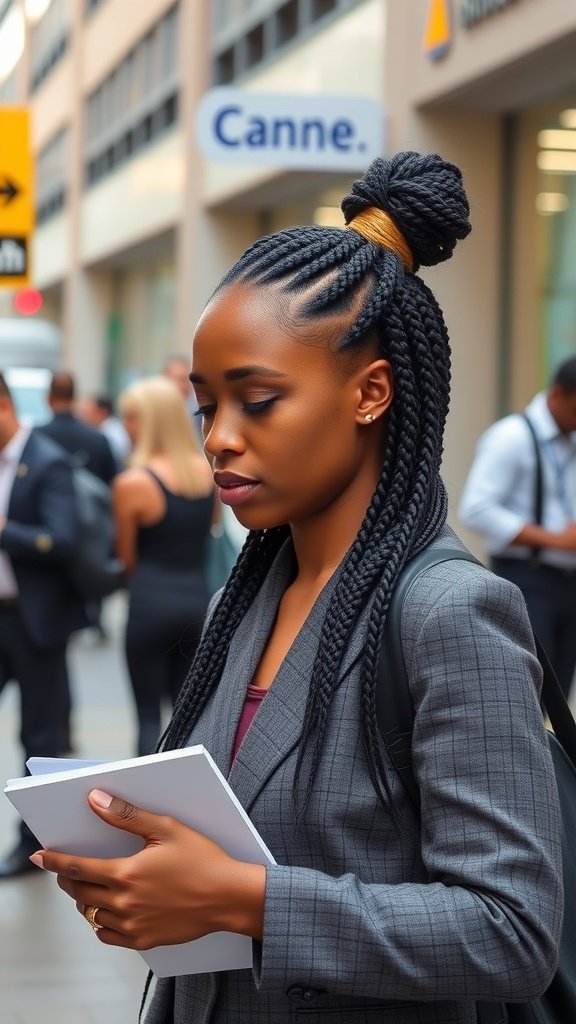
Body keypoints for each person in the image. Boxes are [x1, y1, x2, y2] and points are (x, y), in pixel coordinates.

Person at [31, 153, 562, 1022]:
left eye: (259, 400)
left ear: (371, 394)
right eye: (207, 406)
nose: (220, 440)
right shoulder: (249, 596)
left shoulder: (450, 613)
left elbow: (512, 930)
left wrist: (246, 901)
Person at [0, 373, 87, 878]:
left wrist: (6, 532)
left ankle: (31, 846)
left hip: (34, 623)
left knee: (38, 739)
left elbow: (62, 539)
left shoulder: (48, 460)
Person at [459, 356, 576, 699]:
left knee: (558, 696)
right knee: (527, 692)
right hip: (526, 579)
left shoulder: (571, 439)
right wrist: (554, 540)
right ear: (557, 395)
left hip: (568, 585)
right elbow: (476, 509)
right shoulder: (511, 437)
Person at [114, 376, 214, 756]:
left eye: (132, 417)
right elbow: (210, 531)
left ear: (151, 420)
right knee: (187, 717)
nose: (126, 426)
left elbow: (126, 559)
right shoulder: (207, 473)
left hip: (148, 602)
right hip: (197, 601)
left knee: (146, 716)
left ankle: (142, 804)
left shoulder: (133, 483)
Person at [40, 371, 117, 484]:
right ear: (74, 398)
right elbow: (112, 483)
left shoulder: (36, 439)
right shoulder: (98, 440)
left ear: (49, 397)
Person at [78, 393, 131, 471]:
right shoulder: (105, 429)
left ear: (103, 411)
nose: (85, 416)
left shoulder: (112, 433)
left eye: (89, 411)